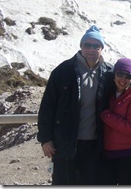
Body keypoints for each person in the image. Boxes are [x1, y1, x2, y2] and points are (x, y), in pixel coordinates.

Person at [37, 25, 113, 185]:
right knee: (64, 182)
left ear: (102, 48)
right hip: (65, 142)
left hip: (96, 144)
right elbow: (47, 107)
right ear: (81, 46)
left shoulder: (109, 73)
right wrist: (45, 139)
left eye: (96, 46)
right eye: (87, 45)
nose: (91, 49)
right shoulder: (63, 71)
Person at [98, 58, 131, 185]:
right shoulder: (107, 92)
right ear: (114, 74)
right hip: (107, 154)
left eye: (128, 76)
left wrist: (105, 115)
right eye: (120, 74)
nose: (123, 80)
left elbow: (129, 127)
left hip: (129, 154)